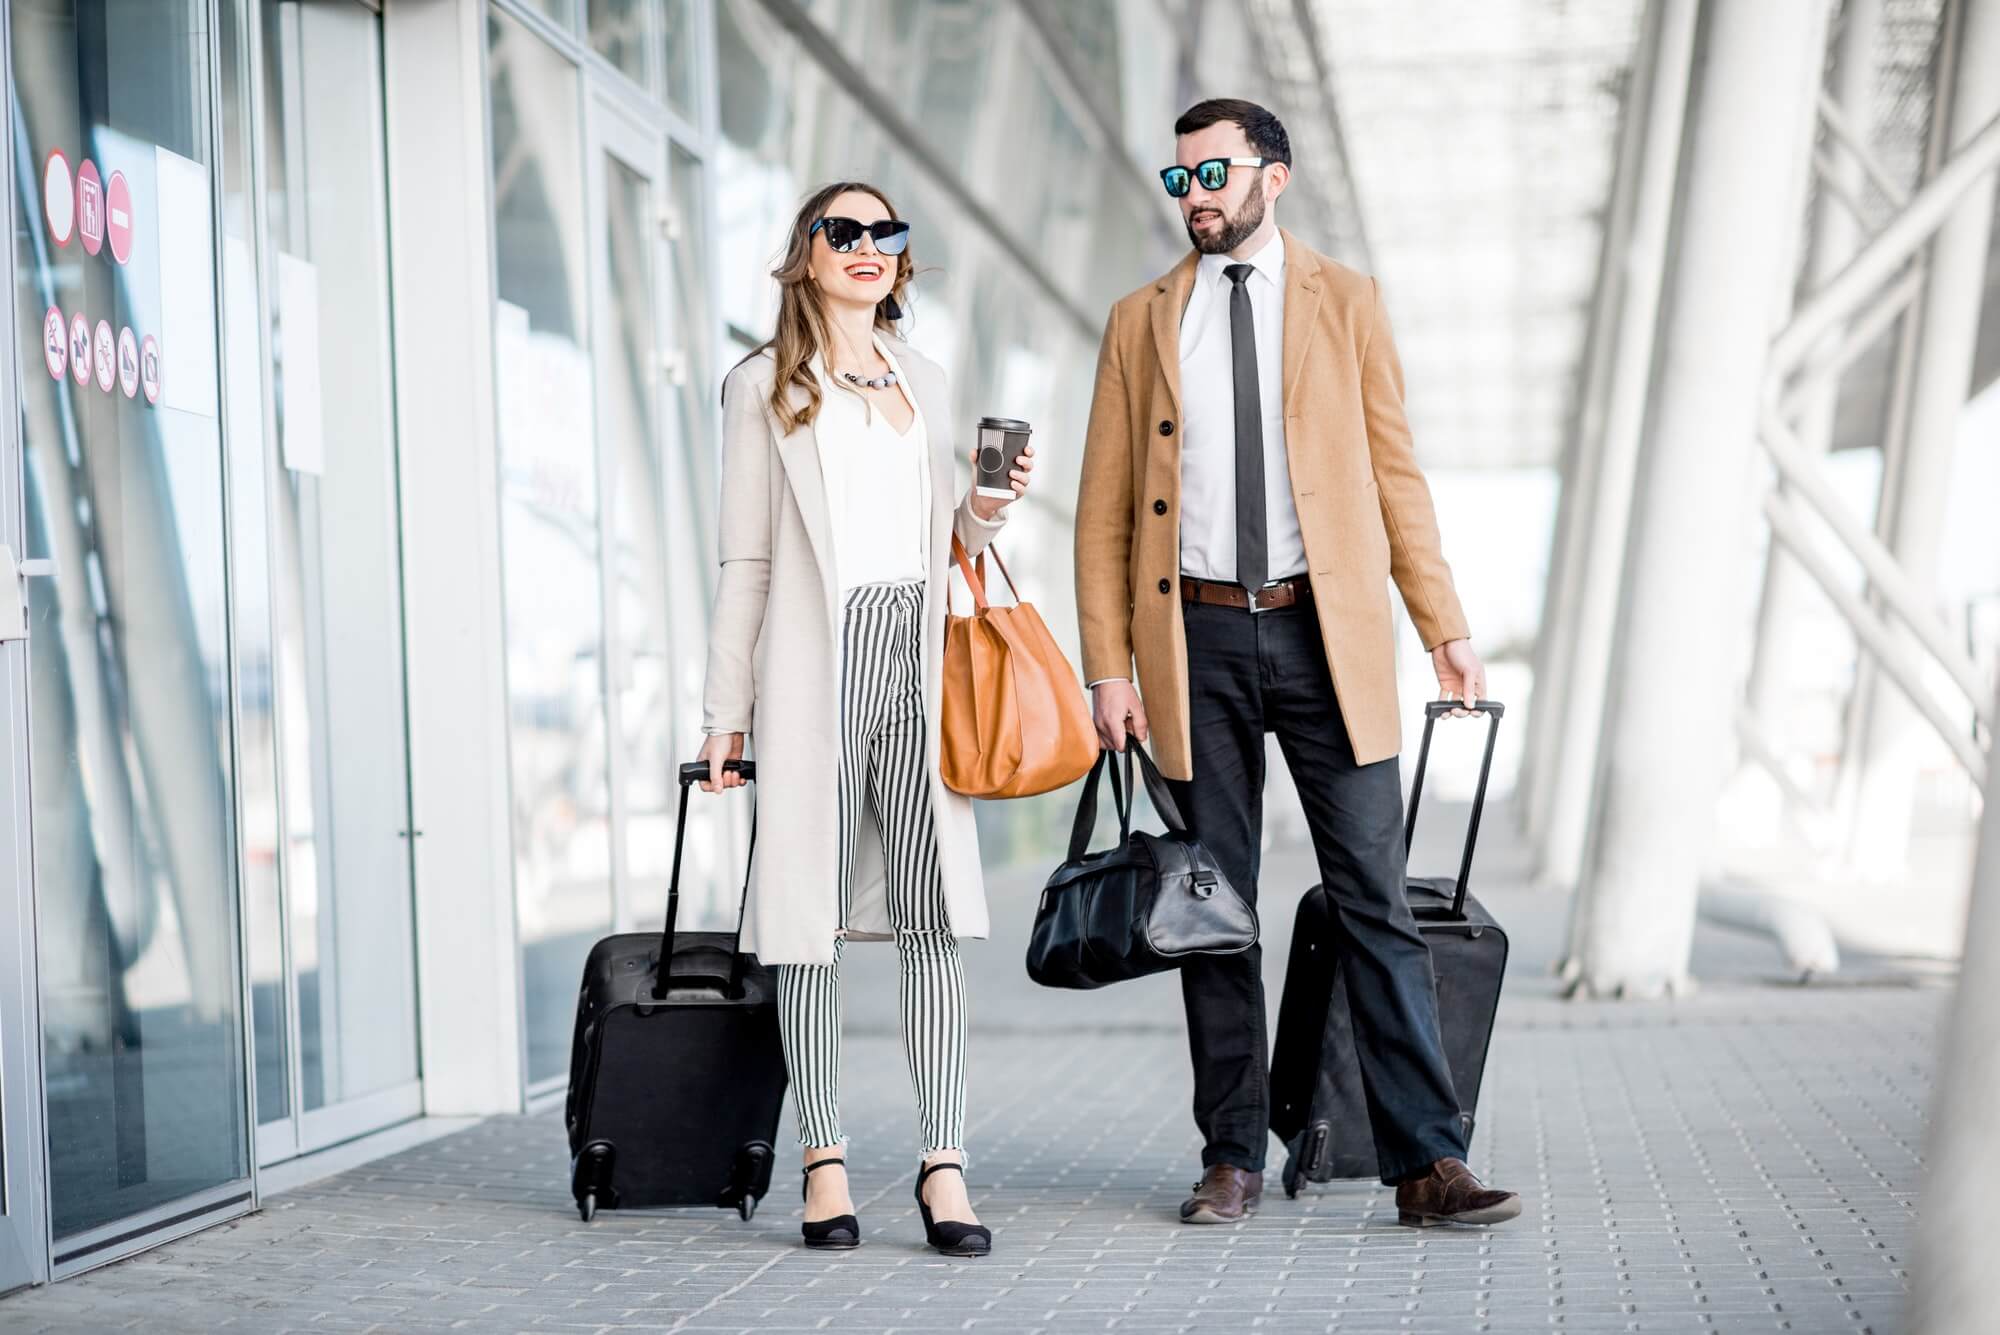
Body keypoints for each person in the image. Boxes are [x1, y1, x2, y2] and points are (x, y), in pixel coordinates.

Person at [1073, 99, 1520, 1229]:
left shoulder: (1345, 302)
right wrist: (1107, 668)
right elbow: (1101, 510)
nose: (1194, 197)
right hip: (1195, 641)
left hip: (1329, 635)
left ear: (1273, 176)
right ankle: (1229, 1153)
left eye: (1212, 174)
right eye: (1179, 182)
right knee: (1213, 909)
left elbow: (1393, 474)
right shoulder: (1138, 320)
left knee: (1376, 900)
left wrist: (1441, 624)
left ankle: (1427, 1161)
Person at [696, 181, 1033, 1256]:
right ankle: (824, 1161)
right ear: (804, 253)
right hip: (814, 661)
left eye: (886, 233)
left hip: (914, 661)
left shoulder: (923, 380)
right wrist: (723, 716)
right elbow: (745, 559)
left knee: (931, 915)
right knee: (809, 926)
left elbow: (949, 552)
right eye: (843, 231)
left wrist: (984, 507)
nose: (867, 248)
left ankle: (944, 1166)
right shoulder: (761, 387)